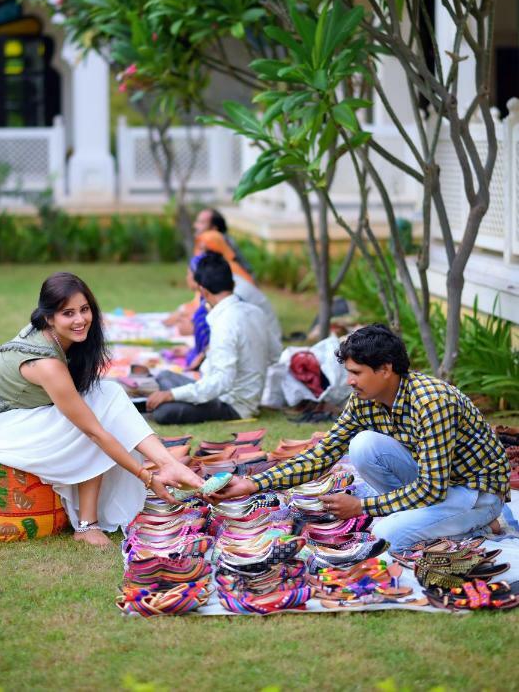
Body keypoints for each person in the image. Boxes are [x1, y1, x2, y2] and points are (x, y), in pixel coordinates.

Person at [0, 272, 203, 548]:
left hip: (20, 412)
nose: (80, 320)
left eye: (84, 309)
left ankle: (169, 464)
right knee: (95, 417)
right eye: (68, 313)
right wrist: (146, 477)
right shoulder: (47, 363)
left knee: (107, 393)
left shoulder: (59, 338)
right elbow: (94, 432)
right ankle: (86, 524)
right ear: (49, 318)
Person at [211, 323, 510, 552]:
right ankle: (430, 521)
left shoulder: (431, 402)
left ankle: (481, 521)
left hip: (473, 492)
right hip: (438, 486)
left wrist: (363, 508)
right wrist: (251, 484)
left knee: (386, 537)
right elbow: (322, 454)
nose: (349, 381)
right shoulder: (364, 399)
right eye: (348, 372)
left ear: (385, 369)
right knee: (363, 444)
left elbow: (431, 489)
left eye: (356, 372)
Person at [146, 253, 279, 424]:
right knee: (165, 376)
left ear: (203, 291)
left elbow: (221, 382)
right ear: (232, 283)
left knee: (163, 412)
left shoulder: (225, 322)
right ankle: (177, 395)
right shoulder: (255, 312)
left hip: (232, 404)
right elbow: (275, 354)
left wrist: (172, 395)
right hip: (230, 392)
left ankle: (174, 397)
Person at [193, 207, 255, 278]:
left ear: (214, 228)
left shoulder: (217, 241)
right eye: (197, 221)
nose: (195, 226)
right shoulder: (214, 243)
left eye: (201, 222)